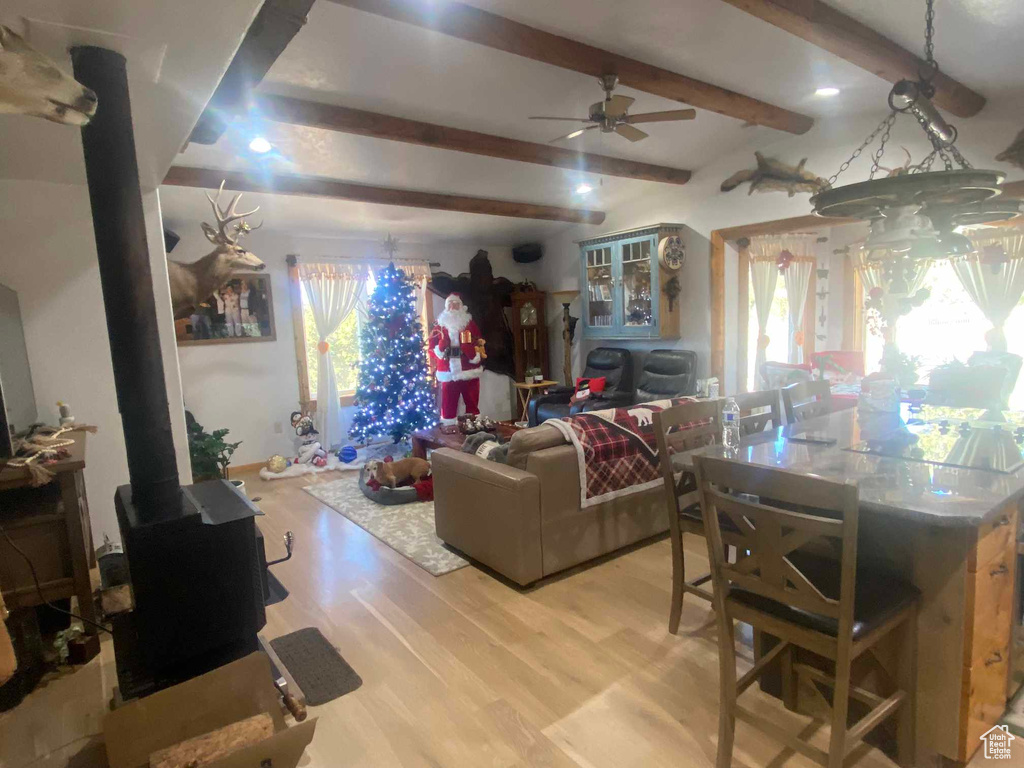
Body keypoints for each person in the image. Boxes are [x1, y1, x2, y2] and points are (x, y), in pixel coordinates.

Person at [429, 293, 483, 424]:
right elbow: (431, 347)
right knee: (448, 403)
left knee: (472, 402)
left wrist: (472, 352)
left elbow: (480, 343)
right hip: (448, 371)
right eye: (450, 305)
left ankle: (474, 427)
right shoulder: (439, 326)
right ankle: (449, 427)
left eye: (455, 304)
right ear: (446, 307)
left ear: (461, 306)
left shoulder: (469, 324)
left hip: (468, 369)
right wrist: (440, 348)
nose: (452, 307)